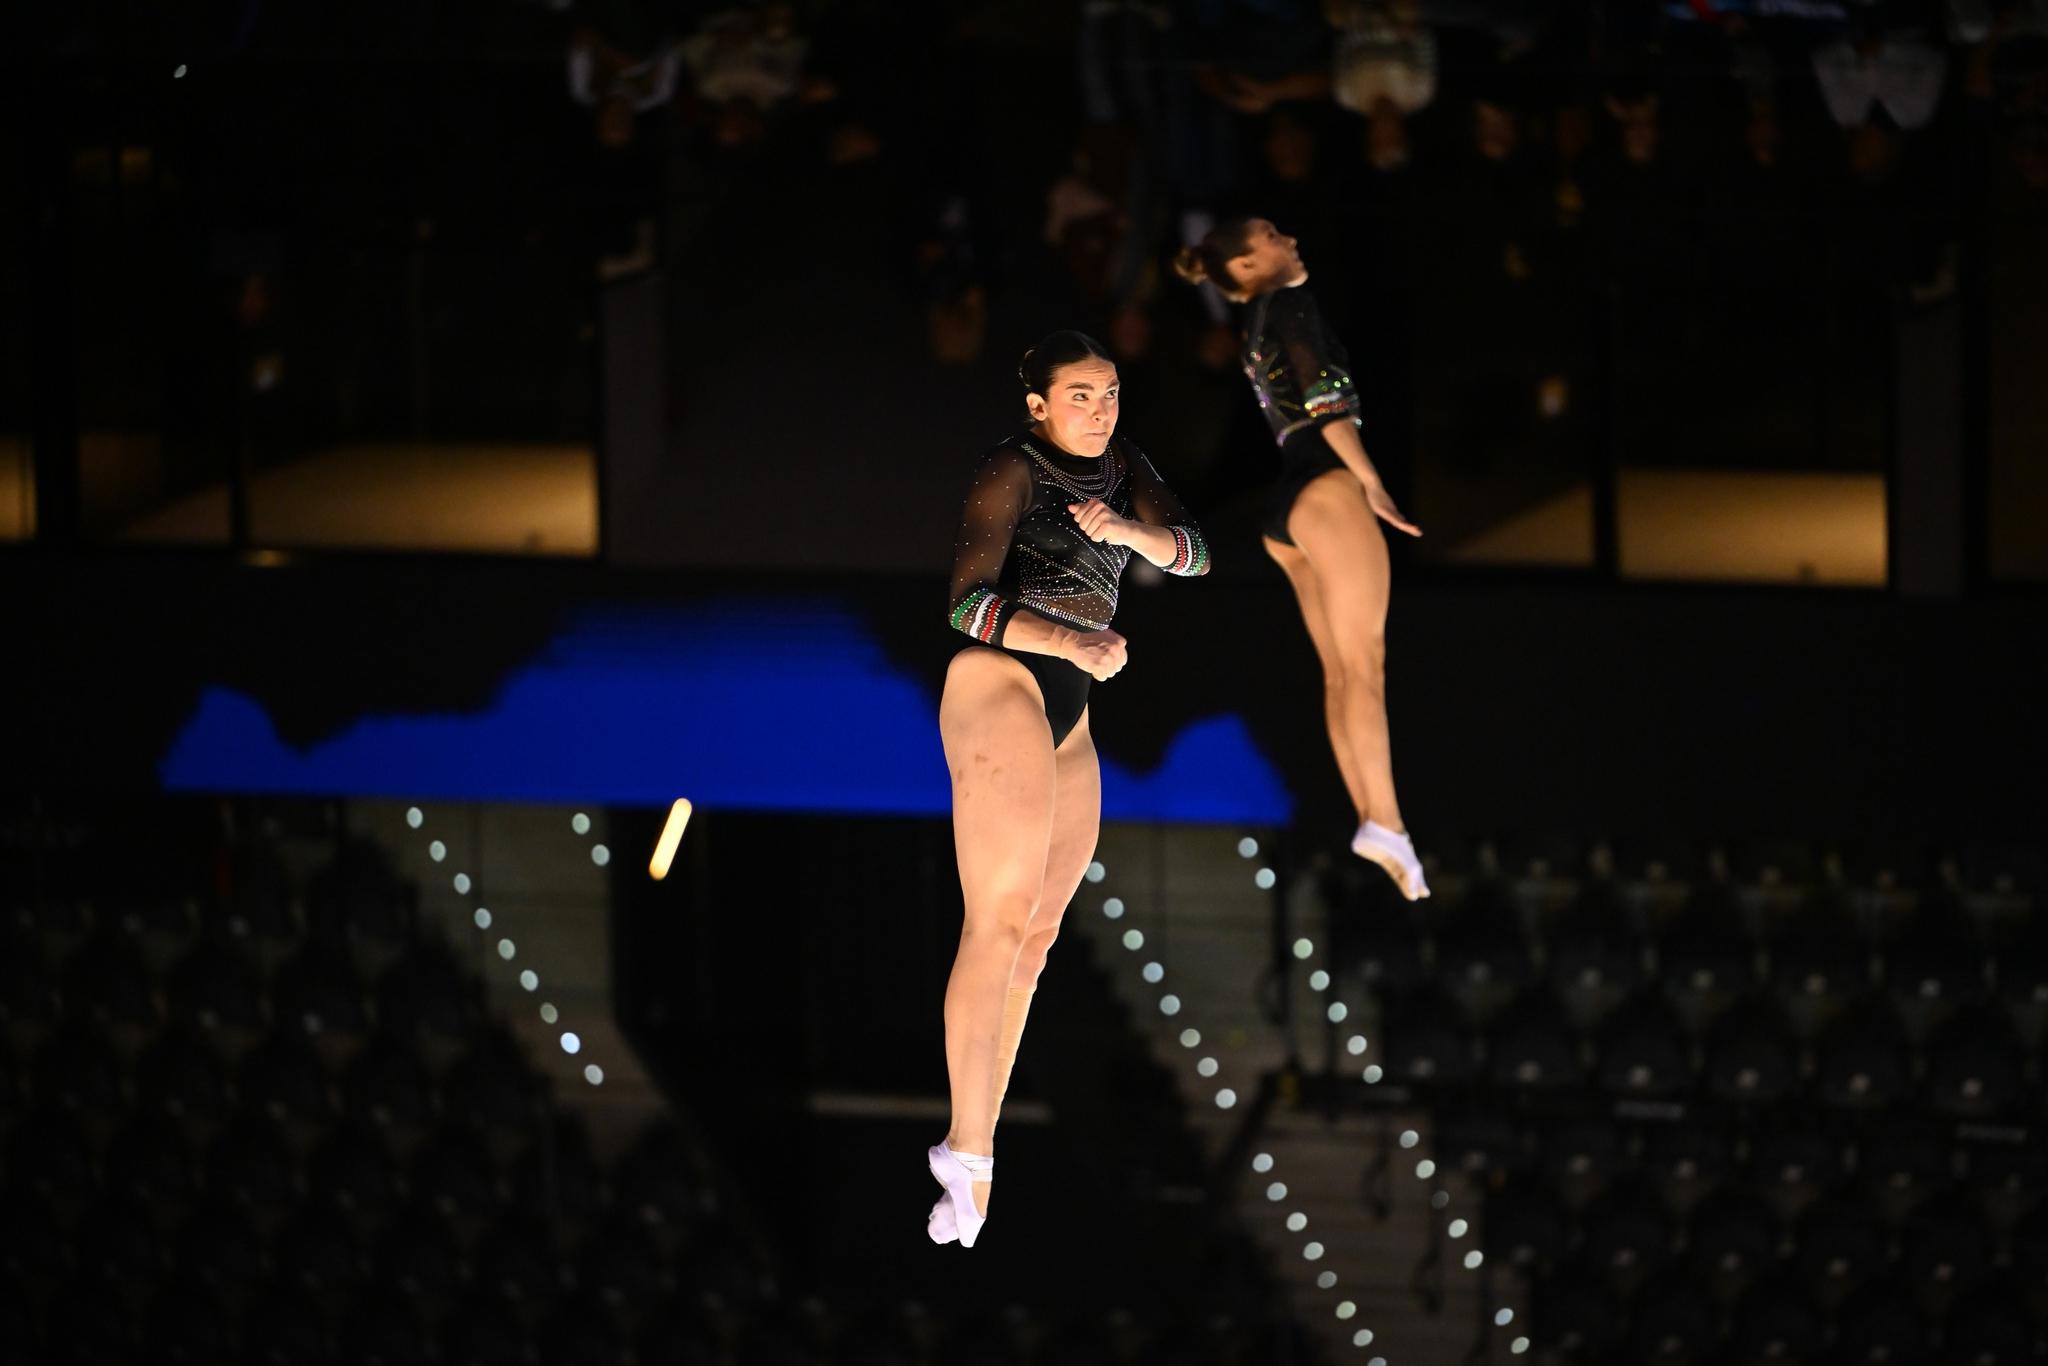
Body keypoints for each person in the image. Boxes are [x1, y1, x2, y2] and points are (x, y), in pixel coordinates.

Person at [931, 331, 1210, 1248]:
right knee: (999, 919)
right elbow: (968, 603)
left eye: (1111, 392)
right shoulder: (1011, 467)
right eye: (1081, 396)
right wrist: (1073, 645)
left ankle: (981, 1146)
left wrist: (1131, 532)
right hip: (1002, 681)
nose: (1101, 409)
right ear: (1039, 405)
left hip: (1072, 710)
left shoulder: (1124, 463)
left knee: (1042, 935)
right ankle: (965, 1148)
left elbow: (1195, 555)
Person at [1172, 218, 1430, 900]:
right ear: (1250, 262)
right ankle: (1386, 819)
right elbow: (1327, 401)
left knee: (1342, 674)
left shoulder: (1261, 318)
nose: (1286, 235)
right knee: (1362, 666)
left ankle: (1380, 824)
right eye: (1270, 233)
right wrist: (1371, 483)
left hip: (1286, 511)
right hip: (1325, 485)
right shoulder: (1286, 304)